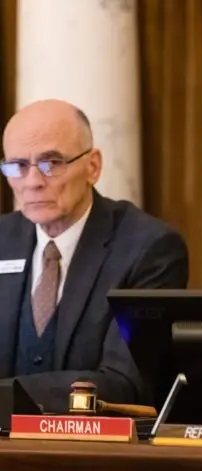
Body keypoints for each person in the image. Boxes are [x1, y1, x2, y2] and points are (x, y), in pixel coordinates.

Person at [0, 99, 189, 412]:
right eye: (17, 166)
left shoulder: (148, 248)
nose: (32, 182)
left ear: (93, 166)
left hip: (96, 453)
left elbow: (124, 383)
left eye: (51, 163)